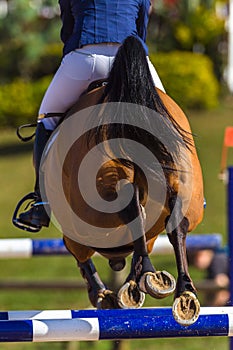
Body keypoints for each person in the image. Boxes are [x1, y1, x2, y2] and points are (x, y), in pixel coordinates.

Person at [13, 0, 165, 232]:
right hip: (132, 59)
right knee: (165, 117)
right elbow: (142, 25)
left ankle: (42, 204)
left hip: (86, 59)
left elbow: (68, 27)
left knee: (47, 119)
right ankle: (179, 189)